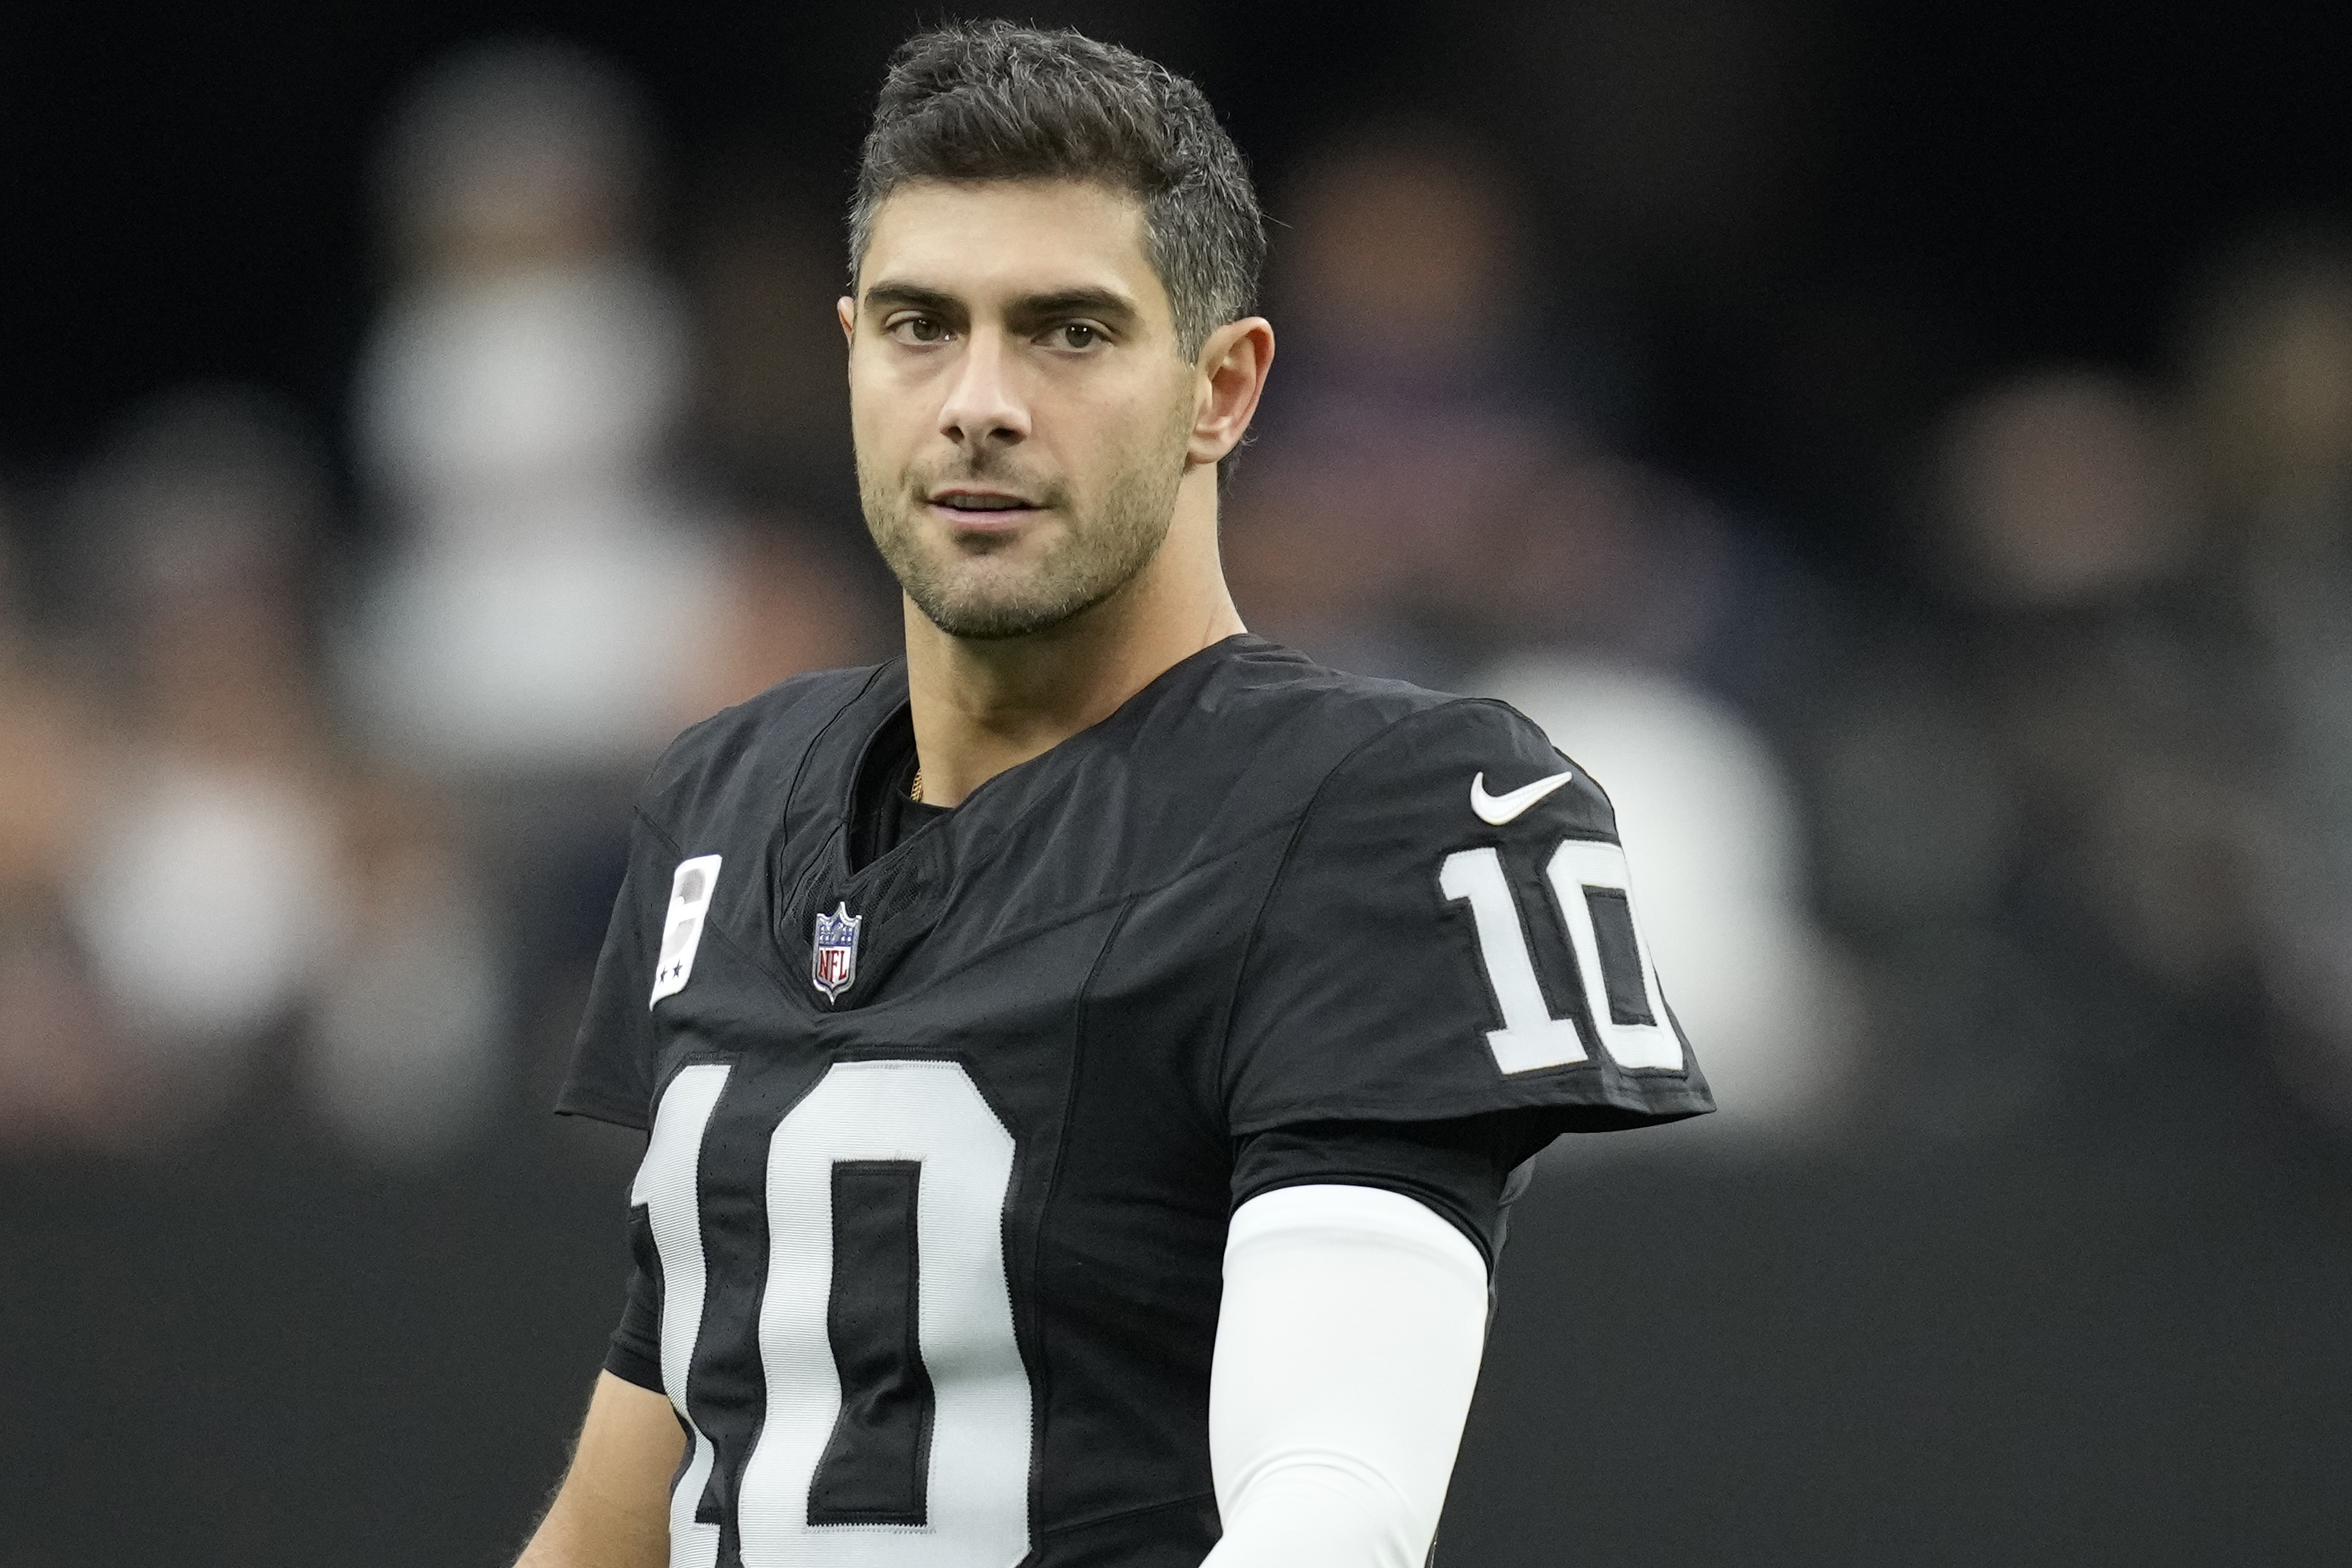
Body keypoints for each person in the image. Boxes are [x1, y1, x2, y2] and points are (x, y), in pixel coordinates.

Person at [520, 22, 1711, 1568]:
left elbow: (1332, 1500)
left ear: (1221, 388)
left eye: (1067, 332)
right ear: (850, 354)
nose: (978, 401)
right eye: (919, 326)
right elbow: (678, 1419)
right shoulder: (728, 796)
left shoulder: (1374, 805)